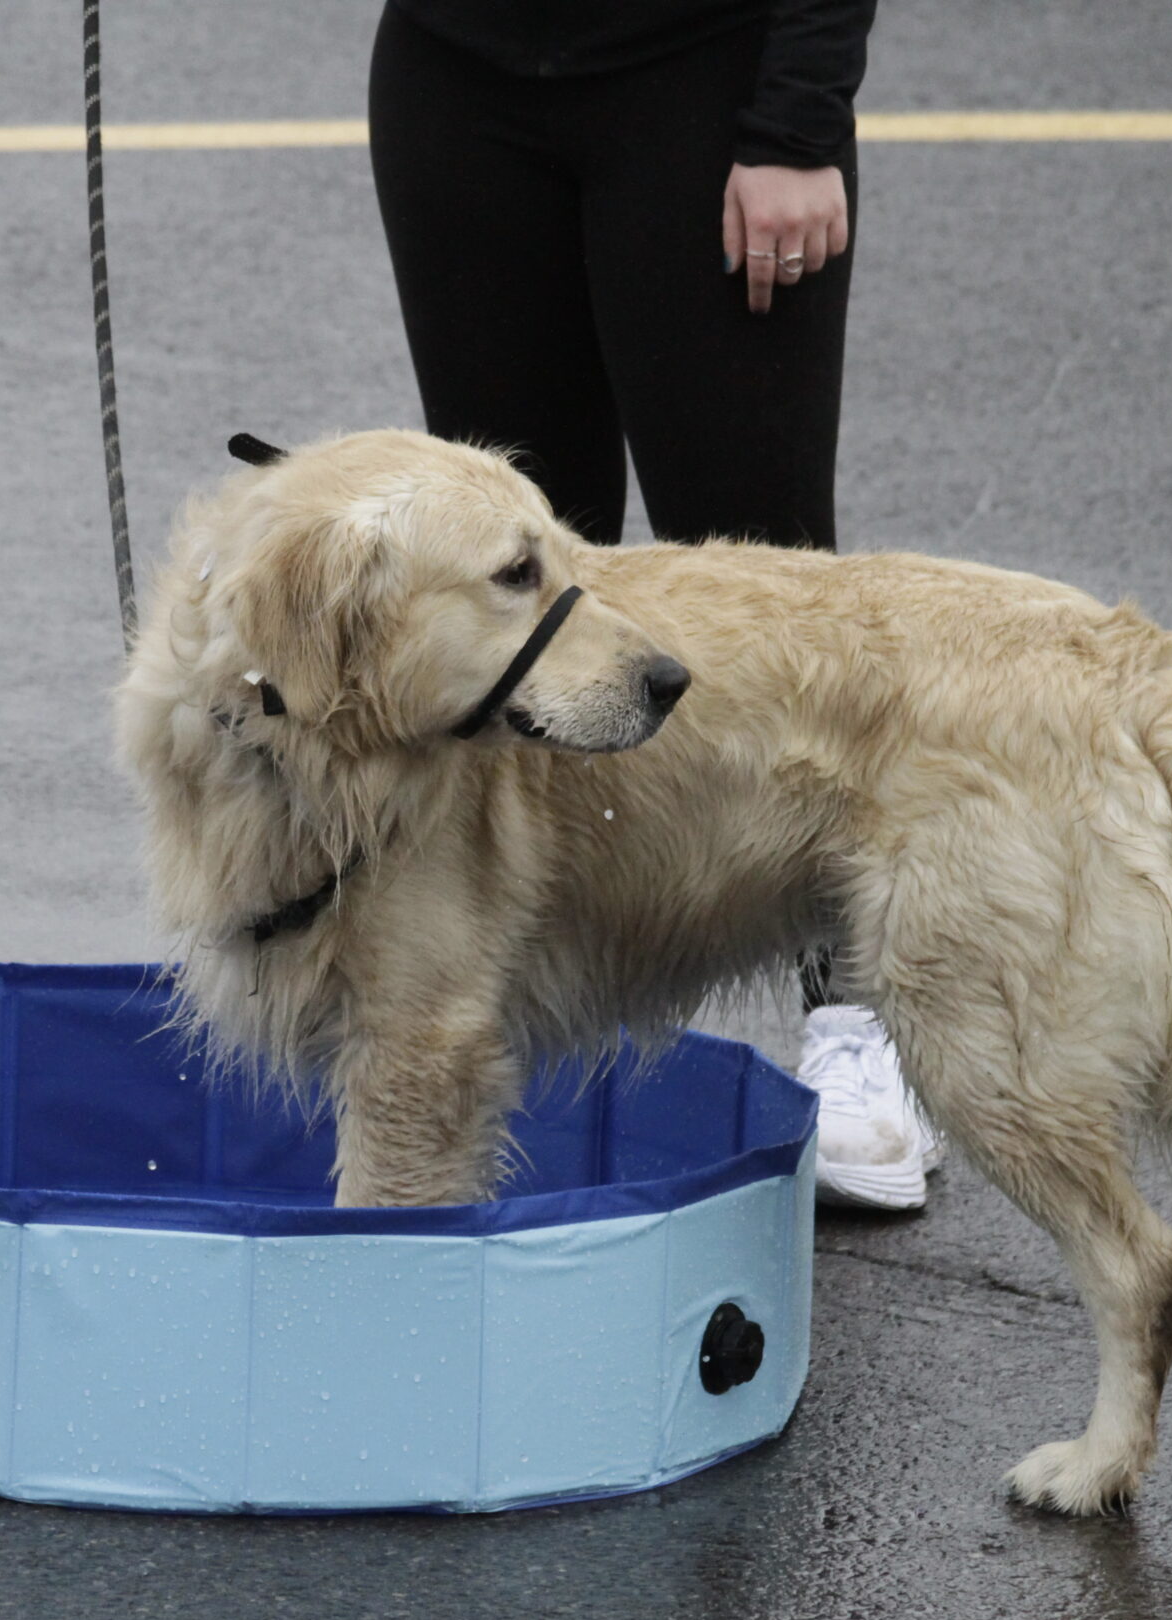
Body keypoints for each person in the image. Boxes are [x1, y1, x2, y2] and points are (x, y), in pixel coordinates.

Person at [367, 0, 940, 1208]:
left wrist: (798, 122)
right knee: (511, 615)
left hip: (701, 85)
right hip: (456, 81)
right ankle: (528, 1012)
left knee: (777, 587)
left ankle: (855, 1019)